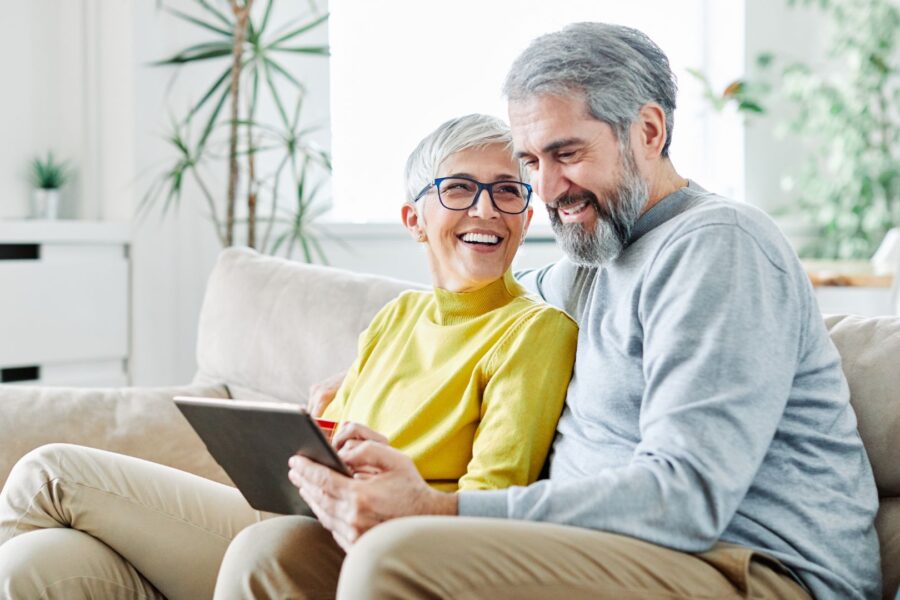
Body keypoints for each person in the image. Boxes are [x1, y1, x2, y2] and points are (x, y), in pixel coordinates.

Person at [264, 22, 881, 600]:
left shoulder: (717, 247)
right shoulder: (593, 262)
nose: (550, 189)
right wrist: (374, 372)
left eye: (567, 153)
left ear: (649, 131)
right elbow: (475, 303)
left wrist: (437, 510)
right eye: (532, 163)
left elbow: (685, 499)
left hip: (750, 566)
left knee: (393, 555)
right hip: (608, 550)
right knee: (279, 553)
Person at [0, 114, 578, 599]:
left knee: (48, 472)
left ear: (527, 217)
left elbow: (491, 503)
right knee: (36, 565)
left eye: (508, 190)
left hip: (362, 545)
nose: (486, 209)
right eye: (458, 188)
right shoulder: (399, 316)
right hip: (294, 511)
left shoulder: (536, 331)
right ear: (414, 220)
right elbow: (333, 448)